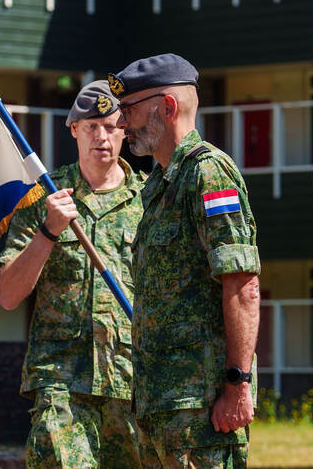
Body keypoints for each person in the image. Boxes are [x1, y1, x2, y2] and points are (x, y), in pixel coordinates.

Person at [112, 53, 261, 468]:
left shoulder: (207, 174)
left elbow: (242, 285)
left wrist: (237, 385)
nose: (121, 124)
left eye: (129, 110)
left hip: (201, 409)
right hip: (159, 404)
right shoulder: (159, 184)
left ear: (168, 107)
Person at [0, 80, 145, 468]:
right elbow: (8, 295)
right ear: (74, 130)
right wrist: (49, 231)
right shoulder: (42, 199)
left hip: (131, 381)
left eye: (111, 126)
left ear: (126, 131)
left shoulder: (151, 201)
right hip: (62, 382)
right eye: (91, 126)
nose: (102, 136)